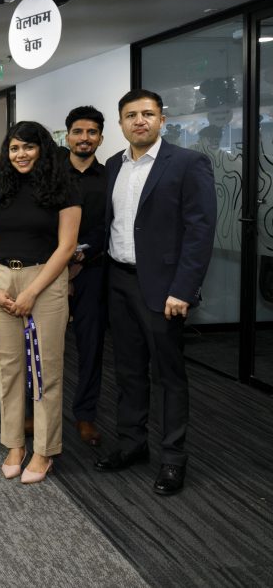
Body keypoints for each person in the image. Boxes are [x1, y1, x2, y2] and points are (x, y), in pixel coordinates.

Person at [94, 89, 216, 496]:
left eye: (148, 114)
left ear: (162, 120)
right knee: (128, 371)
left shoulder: (187, 163)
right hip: (119, 281)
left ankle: (173, 458)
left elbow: (200, 231)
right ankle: (132, 444)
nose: (139, 121)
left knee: (168, 376)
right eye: (131, 115)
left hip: (165, 290)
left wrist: (183, 289)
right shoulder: (114, 165)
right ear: (121, 123)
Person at [0, 121, 80, 484]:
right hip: (1, 281)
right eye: (14, 148)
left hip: (45, 282)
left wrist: (32, 291)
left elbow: (67, 247)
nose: (20, 154)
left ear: (42, 149)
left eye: (28, 147)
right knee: (9, 369)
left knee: (45, 370)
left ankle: (44, 451)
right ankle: (14, 445)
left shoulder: (62, 187)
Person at [63, 106, 109, 447]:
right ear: (68, 136)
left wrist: (82, 256)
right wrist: (62, 260)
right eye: (78, 132)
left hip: (92, 271)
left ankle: (85, 414)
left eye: (91, 132)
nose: (84, 138)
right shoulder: (49, 176)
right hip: (49, 271)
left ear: (100, 139)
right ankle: (35, 411)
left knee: (90, 346)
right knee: (39, 344)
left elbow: (112, 225)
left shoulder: (109, 178)